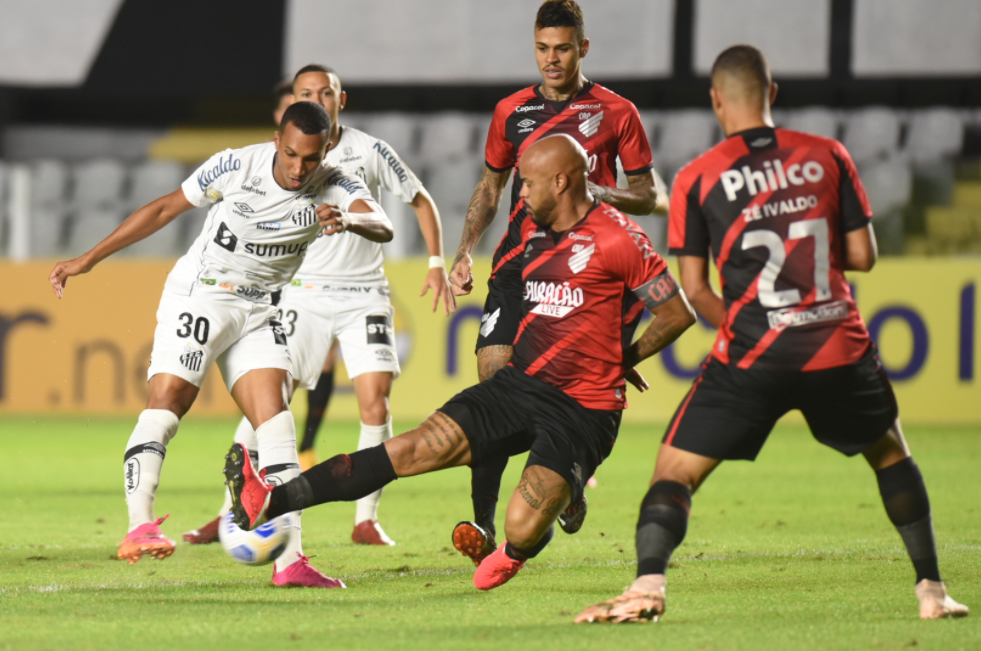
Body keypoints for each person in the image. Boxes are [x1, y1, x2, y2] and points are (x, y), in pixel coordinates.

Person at [575, 45, 969, 624]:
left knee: (674, 472)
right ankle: (933, 593)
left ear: (715, 101)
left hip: (751, 354)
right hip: (836, 344)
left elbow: (694, 288)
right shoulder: (827, 154)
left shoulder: (697, 178)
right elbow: (862, 255)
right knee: (891, 455)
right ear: (772, 94)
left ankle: (647, 587)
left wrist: (742, 327)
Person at [223, 134, 696, 591]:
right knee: (407, 450)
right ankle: (271, 500)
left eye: (528, 183)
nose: (520, 193)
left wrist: (621, 358)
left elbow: (677, 313)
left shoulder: (618, 238)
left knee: (523, 525)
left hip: (583, 409)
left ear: (561, 182)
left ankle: (518, 545)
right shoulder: (530, 229)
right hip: (518, 386)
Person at [48, 101, 392, 588]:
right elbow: (166, 207)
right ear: (277, 140)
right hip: (203, 293)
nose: (298, 169)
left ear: (327, 150)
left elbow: (383, 223)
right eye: (291, 154)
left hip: (260, 310)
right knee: (170, 401)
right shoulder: (237, 164)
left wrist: (349, 221)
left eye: (310, 159)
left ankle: (290, 561)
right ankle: (138, 526)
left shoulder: (335, 183)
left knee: (275, 423)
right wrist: (88, 259)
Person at [184, 64, 454, 547]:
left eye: (325, 92)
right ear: (291, 102)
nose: (317, 99)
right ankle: (227, 510)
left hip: (364, 293)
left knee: (376, 402)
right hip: (303, 293)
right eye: (306, 93)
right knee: (270, 398)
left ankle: (365, 518)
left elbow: (419, 199)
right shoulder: (282, 156)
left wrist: (436, 261)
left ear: (340, 99)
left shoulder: (368, 151)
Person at [447, 0, 668, 566]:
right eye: (543, 48)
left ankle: (564, 480)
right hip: (517, 266)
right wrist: (465, 251)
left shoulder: (617, 112)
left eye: (563, 49)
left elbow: (650, 194)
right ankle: (483, 521)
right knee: (493, 377)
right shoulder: (510, 112)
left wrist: (597, 193)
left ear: (582, 49)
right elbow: (491, 187)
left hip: (583, 270)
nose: (552, 59)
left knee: (570, 390)